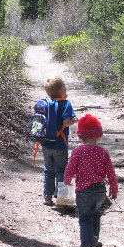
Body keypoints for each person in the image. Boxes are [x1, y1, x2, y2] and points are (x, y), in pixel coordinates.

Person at [64, 114, 118, 247]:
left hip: (83, 191)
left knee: (85, 218)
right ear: (99, 135)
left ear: (80, 136)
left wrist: (67, 181)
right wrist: (113, 189)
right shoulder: (103, 153)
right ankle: (93, 238)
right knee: (96, 214)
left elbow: (70, 169)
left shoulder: (77, 152)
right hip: (100, 191)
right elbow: (111, 174)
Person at [40, 76, 78, 206]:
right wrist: (75, 119)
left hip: (45, 143)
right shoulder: (66, 104)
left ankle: (47, 196)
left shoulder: (45, 103)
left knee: (48, 170)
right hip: (60, 144)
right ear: (62, 89)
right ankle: (63, 199)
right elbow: (67, 122)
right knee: (61, 169)